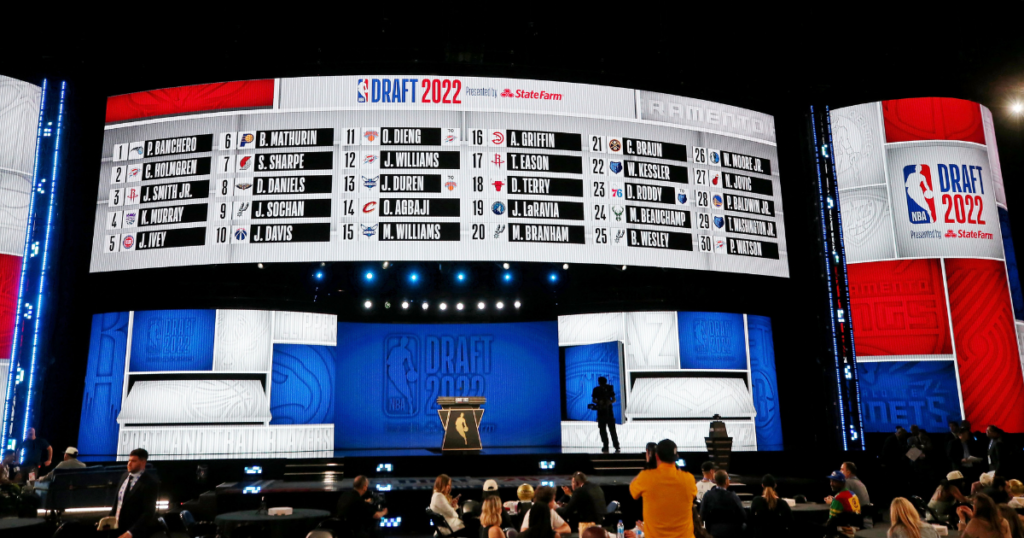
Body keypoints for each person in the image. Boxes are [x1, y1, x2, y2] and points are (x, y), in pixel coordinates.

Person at [629, 438, 697, 538]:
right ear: (676, 457)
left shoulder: (646, 477)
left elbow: (633, 490)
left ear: (656, 456)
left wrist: (649, 464)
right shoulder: (689, 479)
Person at [107, 448, 159, 538]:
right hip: (116, 529)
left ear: (143, 462)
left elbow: (148, 513)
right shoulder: (124, 476)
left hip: (134, 533)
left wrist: (131, 532)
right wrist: (109, 520)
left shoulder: (150, 483)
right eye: (129, 460)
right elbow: (118, 503)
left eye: (134, 461)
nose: (129, 464)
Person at [699, 470, 746, 538]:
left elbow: (702, 514)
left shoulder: (708, 496)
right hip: (731, 532)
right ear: (726, 481)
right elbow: (743, 515)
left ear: (715, 481)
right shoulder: (733, 497)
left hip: (713, 531)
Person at [592, 377, 619, 454]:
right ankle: (613, 445)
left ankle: (610, 446)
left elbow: (594, 400)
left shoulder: (605, 388)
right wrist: (604, 402)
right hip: (604, 412)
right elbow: (614, 399)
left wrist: (604, 402)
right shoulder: (598, 389)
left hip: (606, 412)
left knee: (606, 430)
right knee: (609, 430)